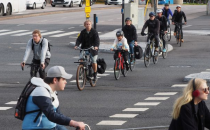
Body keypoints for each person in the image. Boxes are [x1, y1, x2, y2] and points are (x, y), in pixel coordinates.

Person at [22, 66, 85, 130]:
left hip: (50, 126)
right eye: (63, 79)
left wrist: (74, 123)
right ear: (55, 80)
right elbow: (51, 115)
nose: (65, 82)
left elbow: (58, 114)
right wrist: (74, 123)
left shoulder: (52, 92)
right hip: (35, 128)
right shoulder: (41, 91)